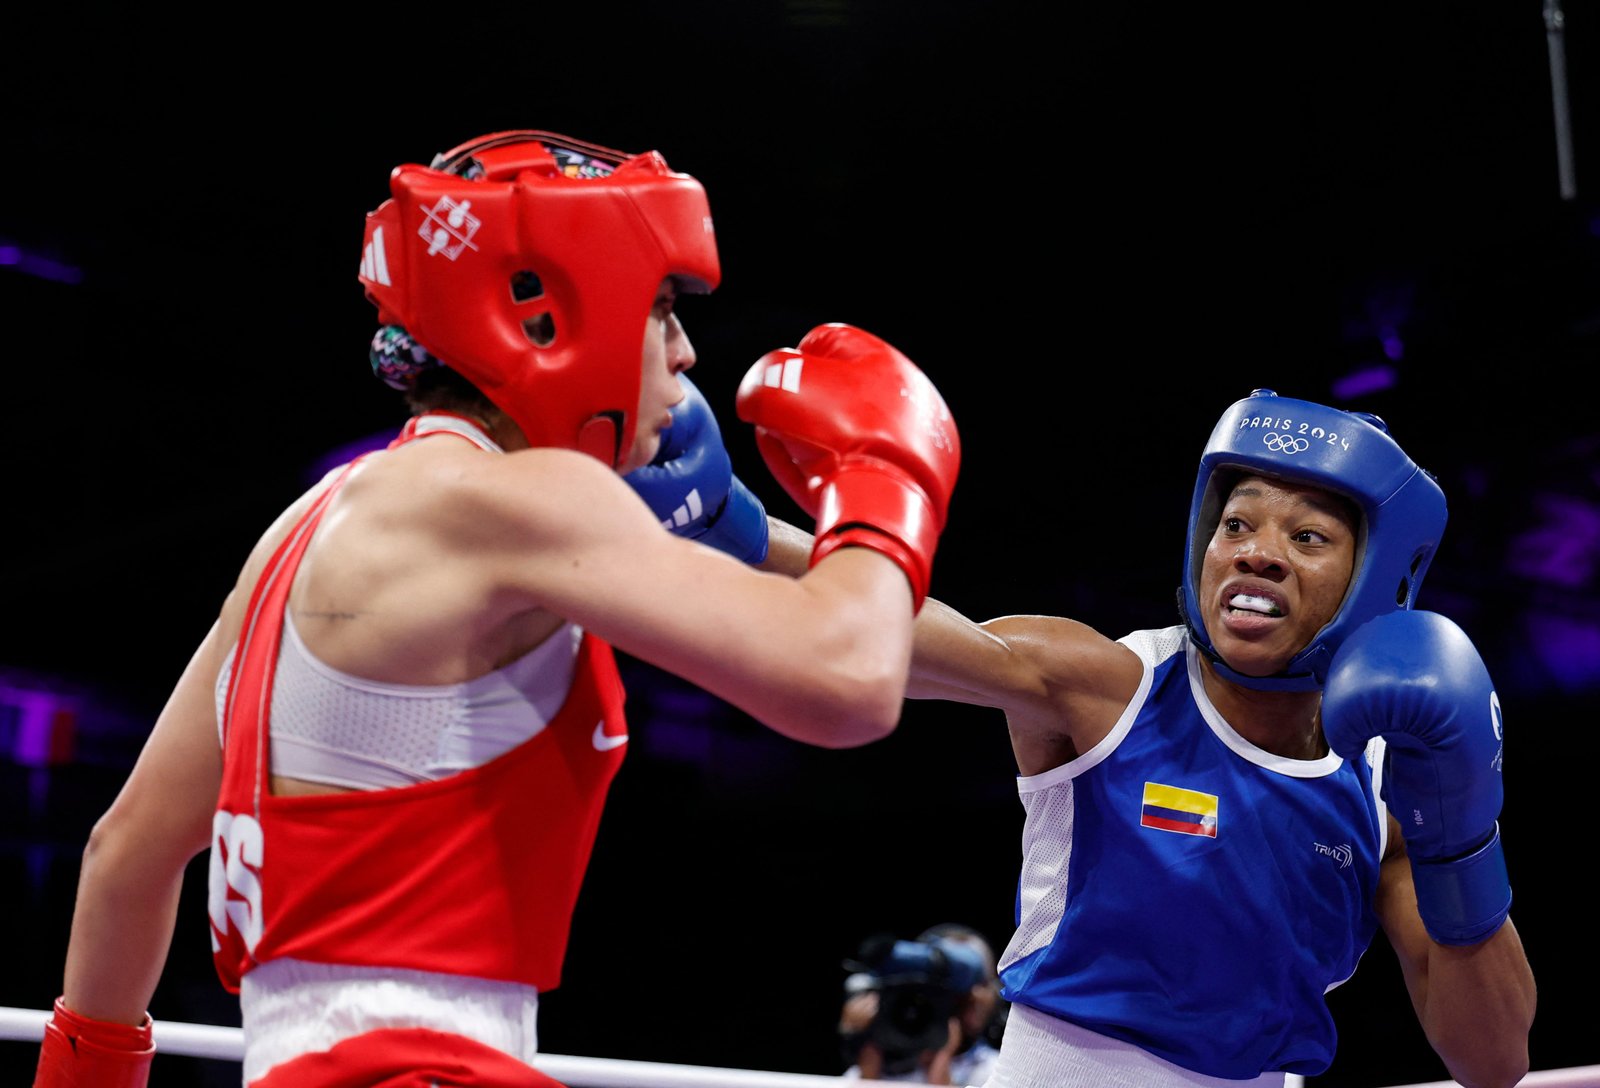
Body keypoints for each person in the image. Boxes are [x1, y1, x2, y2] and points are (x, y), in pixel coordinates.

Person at [31, 129, 962, 1087]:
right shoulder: (519, 503)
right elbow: (846, 682)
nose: (685, 354)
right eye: (663, 308)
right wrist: (884, 482)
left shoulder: (303, 530)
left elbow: (126, 854)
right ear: (558, 314)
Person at [761, 388, 1536, 1088]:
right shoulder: (1107, 684)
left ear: (1374, 577)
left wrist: (1461, 837)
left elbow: (1494, 1063)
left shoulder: (1384, 790)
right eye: (1236, 523)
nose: (1256, 552)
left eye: (1307, 537)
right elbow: (893, 634)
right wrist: (720, 523)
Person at [838, 923, 1006, 1085]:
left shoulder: (998, 1071)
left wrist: (941, 1077)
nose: (975, 995)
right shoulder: (871, 1068)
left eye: (982, 984)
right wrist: (867, 1066)